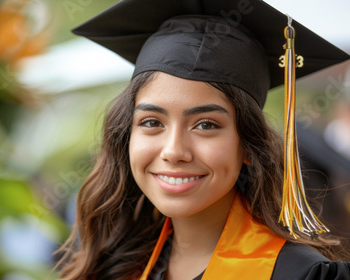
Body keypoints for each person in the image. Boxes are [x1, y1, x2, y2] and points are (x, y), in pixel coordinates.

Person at [55, 0, 350, 279]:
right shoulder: (112, 265)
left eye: (206, 125)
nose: (174, 151)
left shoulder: (299, 274)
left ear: (248, 145)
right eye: (152, 122)